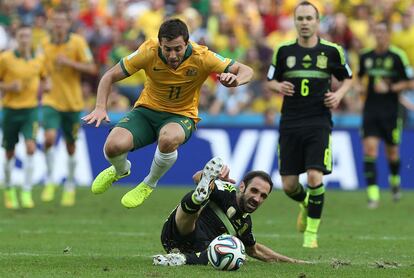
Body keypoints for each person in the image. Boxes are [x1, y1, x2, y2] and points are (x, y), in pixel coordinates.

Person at [82, 18, 253, 208]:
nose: (172, 55)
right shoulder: (149, 51)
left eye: (177, 49)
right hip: (146, 111)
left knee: (168, 139)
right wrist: (99, 107)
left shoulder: (202, 56)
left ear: (187, 43)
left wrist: (235, 80)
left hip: (181, 116)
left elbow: (246, 70)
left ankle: (148, 184)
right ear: (160, 44)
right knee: (112, 147)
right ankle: (120, 170)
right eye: (167, 49)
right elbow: (109, 76)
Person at [266, 1, 353, 248]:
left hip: (318, 121)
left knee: (315, 176)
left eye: (309, 18)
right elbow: (270, 80)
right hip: (290, 122)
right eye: (300, 18)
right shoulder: (283, 51)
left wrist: (338, 95)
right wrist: (278, 86)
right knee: (289, 185)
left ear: (317, 22)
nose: (304, 23)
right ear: (295, 22)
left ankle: (311, 234)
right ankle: (306, 203)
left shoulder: (332, 51)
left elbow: (348, 79)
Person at [153, 157, 306, 266]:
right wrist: (209, 180)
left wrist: (292, 262)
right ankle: (198, 197)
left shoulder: (245, 224)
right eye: (254, 191)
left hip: (196, 250)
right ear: (242, 187)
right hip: (177, 232)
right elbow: (196, 177)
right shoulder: (226, 190)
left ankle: (180, 260)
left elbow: (255, 250)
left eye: (263, 196)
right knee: (198, 198)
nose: (257, 198)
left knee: (227, 254)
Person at [40, 7, 97, 206]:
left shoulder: (78, 43)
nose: (58, 24)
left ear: (68, 23)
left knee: (71, 146)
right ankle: (49, 179)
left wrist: (70, 63)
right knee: (48, 139)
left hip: (72, 103)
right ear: (51, 23)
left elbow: (91, 68)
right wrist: (43, 81)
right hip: (51, 101)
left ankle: (70, 184)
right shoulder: (45, 44)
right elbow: (40, 69)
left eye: (62, 21)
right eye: (55, 21)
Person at [357, 21, 412, 209]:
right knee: (370, 150)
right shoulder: (366, 56)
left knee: (392, 153)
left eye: (383, 31)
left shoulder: (398, 56)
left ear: (388, 34)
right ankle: (373, 195)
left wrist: (390, 87)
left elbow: (410, 82)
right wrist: (358, 90)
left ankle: (395, 182)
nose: (379, 35)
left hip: (391, 112)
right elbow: (358, 77)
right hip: (370, 110)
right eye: (377, 31)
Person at [0, 25, 49, 209]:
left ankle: (27, 191)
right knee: (9, 152)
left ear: (31, 39)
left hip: (30, 111)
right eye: (21, 36)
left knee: (30, 148)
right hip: (10, 111)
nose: (24, 39)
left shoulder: (39, 59)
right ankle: (9, 189)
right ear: (16, 38)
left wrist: (46, 87)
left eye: (27, 36)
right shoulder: (5, 59)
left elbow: (45, 78)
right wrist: (8, 88)